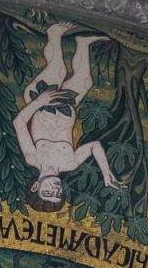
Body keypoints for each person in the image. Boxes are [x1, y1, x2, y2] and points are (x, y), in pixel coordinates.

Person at [13, 23, 118, 209]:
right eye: (58, 194)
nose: (55, 189)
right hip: (67, 105)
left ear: (35, 186)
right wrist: (106, 172)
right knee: (85, 80)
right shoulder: (70, 164)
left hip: (40, 100)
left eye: (48, 192)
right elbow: (94, 146)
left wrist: (40, 102)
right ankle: (83, 43)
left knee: (58, 70)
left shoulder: (33, 158)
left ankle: (53, 33)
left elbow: (19, 123)